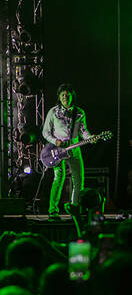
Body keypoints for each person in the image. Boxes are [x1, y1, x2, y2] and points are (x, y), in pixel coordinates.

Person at [42, 83, 93, 220]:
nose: (65, 96)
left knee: (78, 180)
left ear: (72, 96)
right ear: (59, 96)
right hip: (57, 149)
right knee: (58, 178)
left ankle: (75, 208)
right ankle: (53, 210)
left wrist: (91, 138)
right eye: (63, 94)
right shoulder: (53, 112)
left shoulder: (79, 112)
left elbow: (83, 131)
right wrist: (55, 141)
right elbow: (45, 132)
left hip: (74, 149)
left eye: (67, 94)